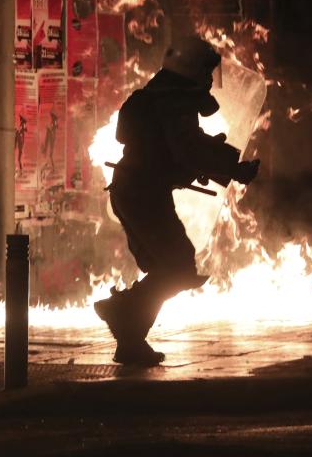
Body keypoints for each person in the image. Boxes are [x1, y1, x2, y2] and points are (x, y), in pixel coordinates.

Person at [94, 36, 259, 366]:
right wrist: (231, 166)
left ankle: (129, 341)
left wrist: (196, 164)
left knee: (168, 266)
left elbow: (172, 149)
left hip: (134, 191)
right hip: (143, 194)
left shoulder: (161, 97)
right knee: (178, 266)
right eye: (205, 72)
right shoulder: (174, 102)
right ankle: (121, 310)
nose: (209, 80)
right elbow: (187, 147)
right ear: (191, 70)